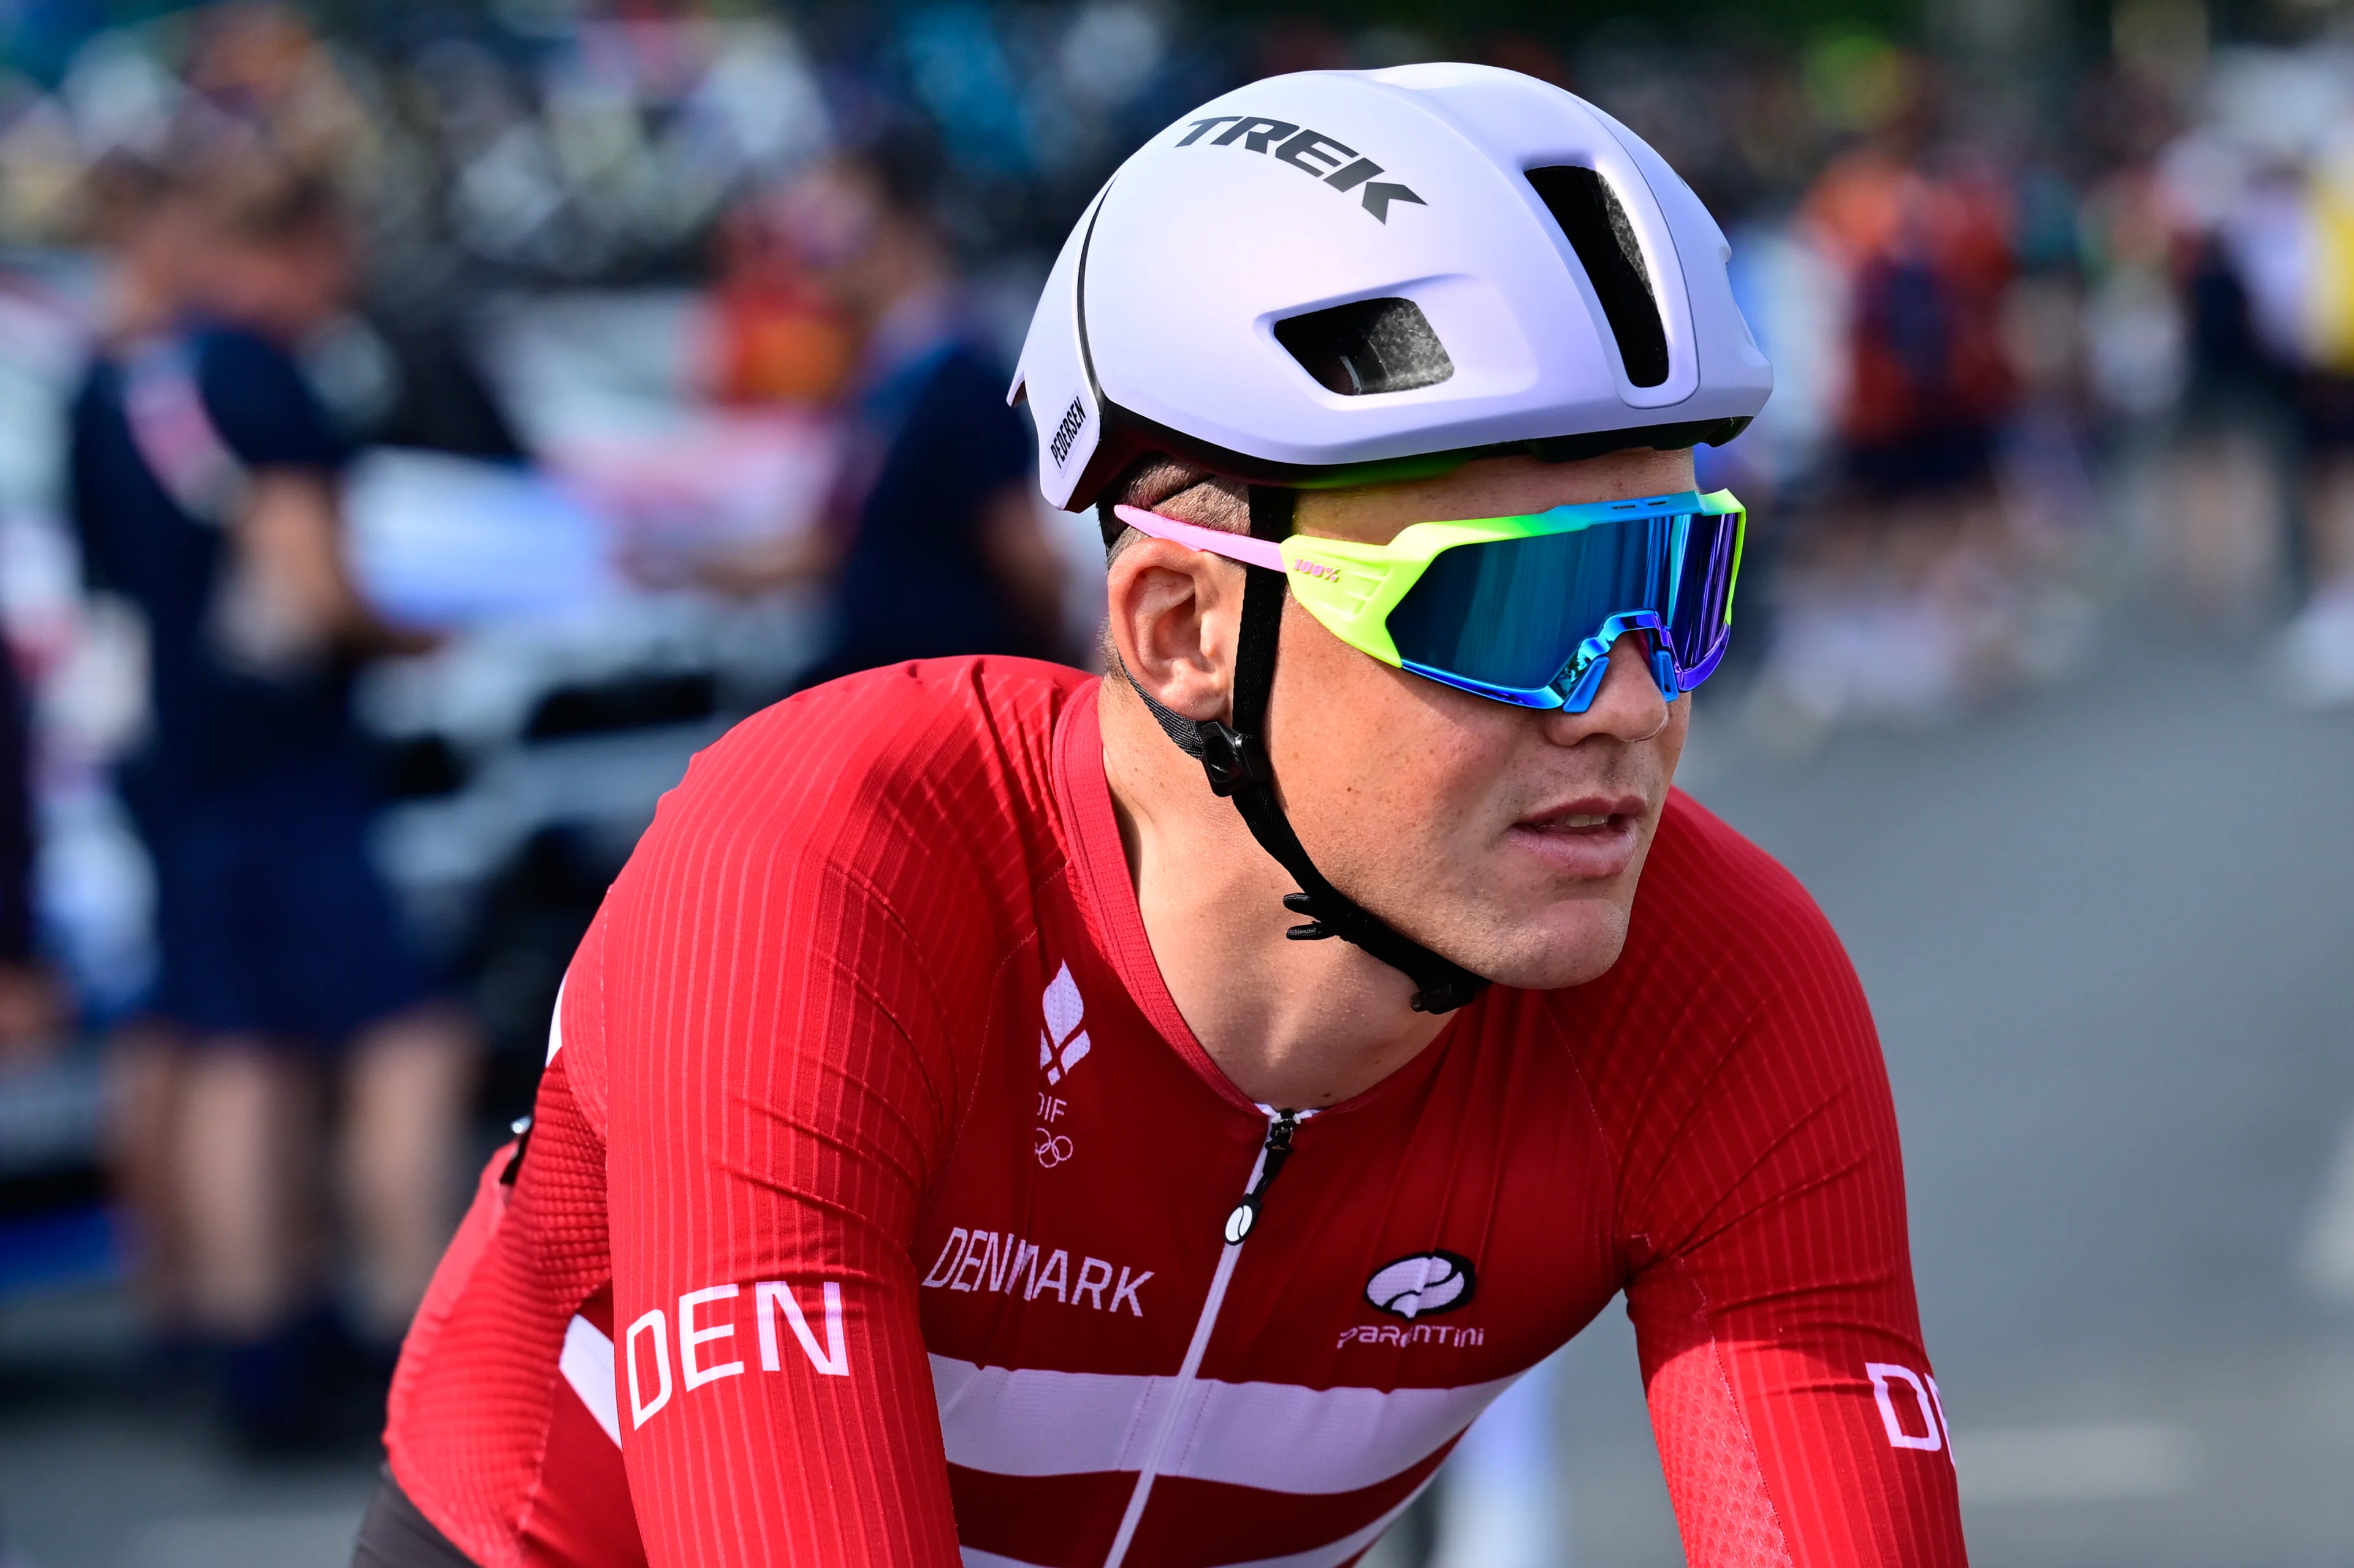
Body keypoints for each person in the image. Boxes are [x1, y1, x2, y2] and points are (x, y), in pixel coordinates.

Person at [364, 66, 1967, 1566]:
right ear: (1185, 629)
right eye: (1520, 597)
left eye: (1676, 588)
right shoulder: (824, 870)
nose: (1629, 699)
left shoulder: (1721, 986)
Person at [68, 147, 476, 1447]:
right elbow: (311, 581)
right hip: (291, 773)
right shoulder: (256, 372)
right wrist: (410, 632)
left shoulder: (119, 385)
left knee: (234, 1053)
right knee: (412, 1044)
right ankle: (422, 1337)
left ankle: (250, 1344)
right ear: (299, 247)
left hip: (185, 771)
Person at [679, 143, 1071, 678]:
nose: (816, 250)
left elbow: (1029, 561)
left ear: (908, 229)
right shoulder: (883, 378)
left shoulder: (960, 379)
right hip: (892, 688)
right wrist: (688, 566)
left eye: (840, 226)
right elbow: (836, 544)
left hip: (949, 700)